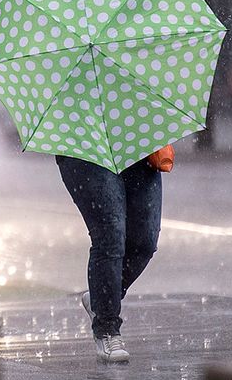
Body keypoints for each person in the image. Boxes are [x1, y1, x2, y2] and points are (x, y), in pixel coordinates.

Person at [55, 155, 162, 363]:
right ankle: (107, 329)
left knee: (144, 242)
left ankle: (100, 299)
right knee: (110, 235)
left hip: (136, 142)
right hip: (84, 145)